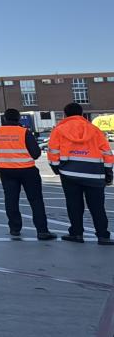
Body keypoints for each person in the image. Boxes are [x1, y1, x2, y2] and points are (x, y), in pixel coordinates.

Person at [47, 103, 114, 245]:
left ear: (65, 114)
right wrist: (108, 172)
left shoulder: (59, 130)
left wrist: (56, 168)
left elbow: (53, 152)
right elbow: (107, 153)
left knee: (74, 205)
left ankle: (76, 233)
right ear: (82, 114)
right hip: (95, 175)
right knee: (97, 207)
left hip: (69, 174)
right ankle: (103, 236)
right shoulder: (95, 130)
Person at [0, 109, 56, 240]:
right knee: (36, 200)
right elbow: (35, 153)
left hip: (6, 171)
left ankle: (14, 228)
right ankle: (42, 231)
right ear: (18, 118)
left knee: (11, 200)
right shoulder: (24, 132)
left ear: (5, 119)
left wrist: (0, 166)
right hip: (27, 170)